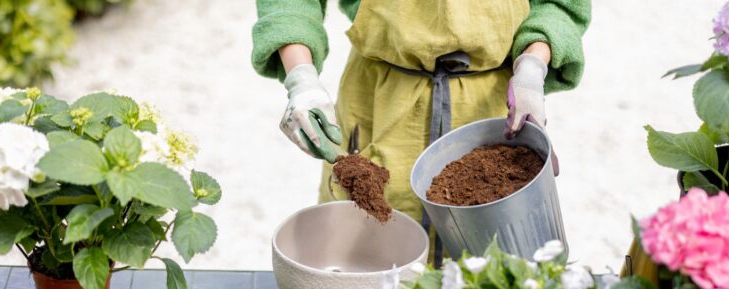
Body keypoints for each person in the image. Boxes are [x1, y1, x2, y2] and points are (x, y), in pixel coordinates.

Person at [252, 0, 591, 249]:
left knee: (493, 285)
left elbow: (559, 6)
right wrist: (301, 78)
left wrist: (532, 66)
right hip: (381, 101)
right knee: (367, 271)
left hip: (488, 110)